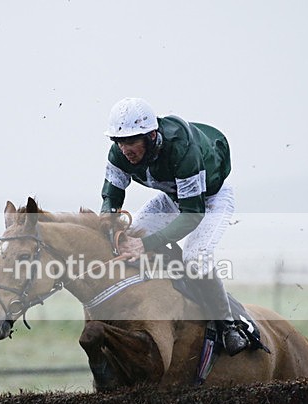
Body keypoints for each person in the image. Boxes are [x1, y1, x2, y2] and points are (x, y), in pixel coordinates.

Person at [100, 97, 248, 355]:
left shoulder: (181, 148)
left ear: (151, 135)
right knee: (128, 241)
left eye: (131, 141)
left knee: (194, 258)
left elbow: (192, 214)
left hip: (209, 200)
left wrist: (145, 244)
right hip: (172, 197)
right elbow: (112, 197)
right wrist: (107, 218)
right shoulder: (119, 153)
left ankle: (228, 325)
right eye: (119, 142)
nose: (125, 149)